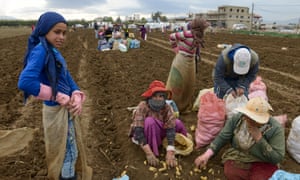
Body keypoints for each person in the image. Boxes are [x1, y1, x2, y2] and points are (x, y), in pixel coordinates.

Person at [17, 11, 92, 180]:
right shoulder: (41, 51)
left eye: (64, 33)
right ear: (44, 31)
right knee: (66, 150)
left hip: (63, 109)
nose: (62, 37)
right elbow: (25, 82)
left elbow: (66, 76)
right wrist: (57, 96)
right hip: (56, 111)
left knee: (67, 148)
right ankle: (68, 177)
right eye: (57, 32)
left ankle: (66, 174)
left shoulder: (52, 51)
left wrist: (76, 93)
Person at [194, 97, 285, 180]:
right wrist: (207, 155)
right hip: (240, 156)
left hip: (262, 161)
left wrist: (259, 139)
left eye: (254, 119)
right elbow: (223, 137)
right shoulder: (238, 118)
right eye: (248, 116)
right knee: (231, 172)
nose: (249, 120)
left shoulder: (275, 129)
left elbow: (277, 157)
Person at [128, 80, 188, 168]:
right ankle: (153, 149)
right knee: (150, 122)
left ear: (164, 98)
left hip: (160, 131)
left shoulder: (167, 107)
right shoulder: (143, 106)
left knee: (177, 123)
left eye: (161, 96)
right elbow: (139, 130)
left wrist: (170, 150)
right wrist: (148, 153)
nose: (158, 99)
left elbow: (171, 128)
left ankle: (175, 144)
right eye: (155, 96)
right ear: (150, 96)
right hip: (146, 134)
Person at [165, 16, 209, 113]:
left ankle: (184, 107)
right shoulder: (187, 34)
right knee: (178, 82)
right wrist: (176, 49)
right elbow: (172, 36)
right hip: (182, 60)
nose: (206, 30)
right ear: (199, 27)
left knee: (189, 83)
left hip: (191, 61)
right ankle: (172, 106)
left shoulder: (200, 36)